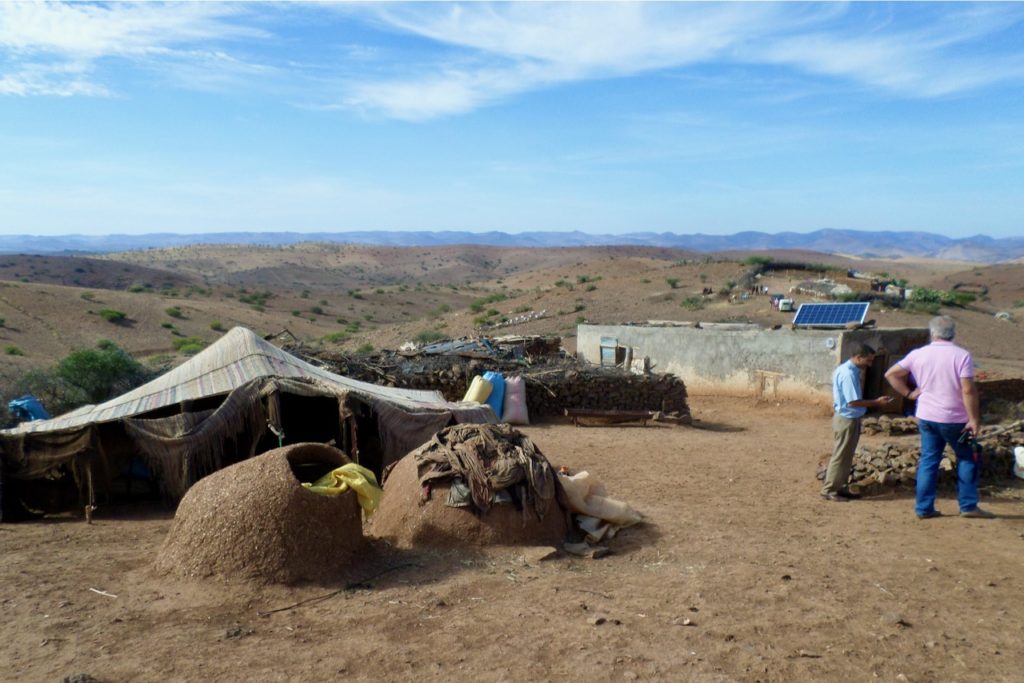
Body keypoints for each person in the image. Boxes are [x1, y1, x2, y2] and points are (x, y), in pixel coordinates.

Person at [885, 315, 993, 519]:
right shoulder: (962, 356)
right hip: (956, 420)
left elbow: (891, 374)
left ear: (932, 333)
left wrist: (909, 393)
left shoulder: (918, 354)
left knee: (929, 460)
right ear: (953, 334)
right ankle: (968, 506)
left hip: (926, 417)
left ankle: (924, 508)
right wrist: (974, 419)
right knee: (968, 457)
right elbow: (968, 390)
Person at [822, 344, 894, 502]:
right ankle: (830, 490)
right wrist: (876, 402)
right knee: (840, 455)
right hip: (847, 419)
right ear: (858, 357)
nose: (870, 364)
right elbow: (853, 402)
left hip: (849, 419)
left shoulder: (849, 370)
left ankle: (839, 487)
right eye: (868, 360)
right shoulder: (848, 374)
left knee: (846, 456)